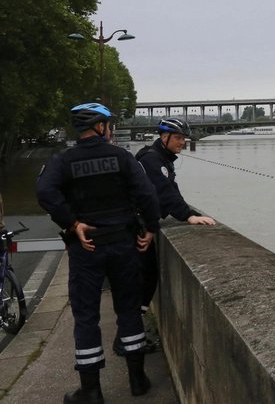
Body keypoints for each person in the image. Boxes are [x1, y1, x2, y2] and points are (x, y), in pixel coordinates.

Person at [36, 103, 160, 403]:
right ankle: (138, 379)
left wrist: (72, 222)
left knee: (86, 316)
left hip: (87, 247)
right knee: (129, 309)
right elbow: (146, 193)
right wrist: (151, 227)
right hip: (123, 244)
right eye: (109, 125)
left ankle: (91, 391)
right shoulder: (122, 157)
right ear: (101, 127)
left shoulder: (63, 161)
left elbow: (45, 193)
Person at [134, 117, 215, 322]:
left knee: (145, 277)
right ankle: (131, 329)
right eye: (178, 138)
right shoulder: (152, 160)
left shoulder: (160, 159)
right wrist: (188, 216)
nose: (182, 142)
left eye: (184, 138)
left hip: (141, 223)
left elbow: (173, 191)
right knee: (144, 277)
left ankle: (133, 326)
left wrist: (189, 212)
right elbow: (164, 193)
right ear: (164, 137)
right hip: (136, 225)